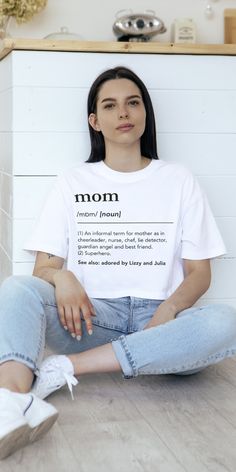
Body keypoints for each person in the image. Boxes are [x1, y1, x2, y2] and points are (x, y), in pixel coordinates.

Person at [1, 66, 236, 460]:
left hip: (159, 325)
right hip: (89, 318)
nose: (123, 113)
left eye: (133, 103)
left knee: (225, 322)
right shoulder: (74, 181)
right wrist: (64, 276)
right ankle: (12, 401)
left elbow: (200, 273)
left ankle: (66, 368)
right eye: (109, 106)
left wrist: (171, 308)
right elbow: (42, 270)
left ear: (145, 113)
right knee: (15, 288)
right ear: (95, 121)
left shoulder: (178, 179)